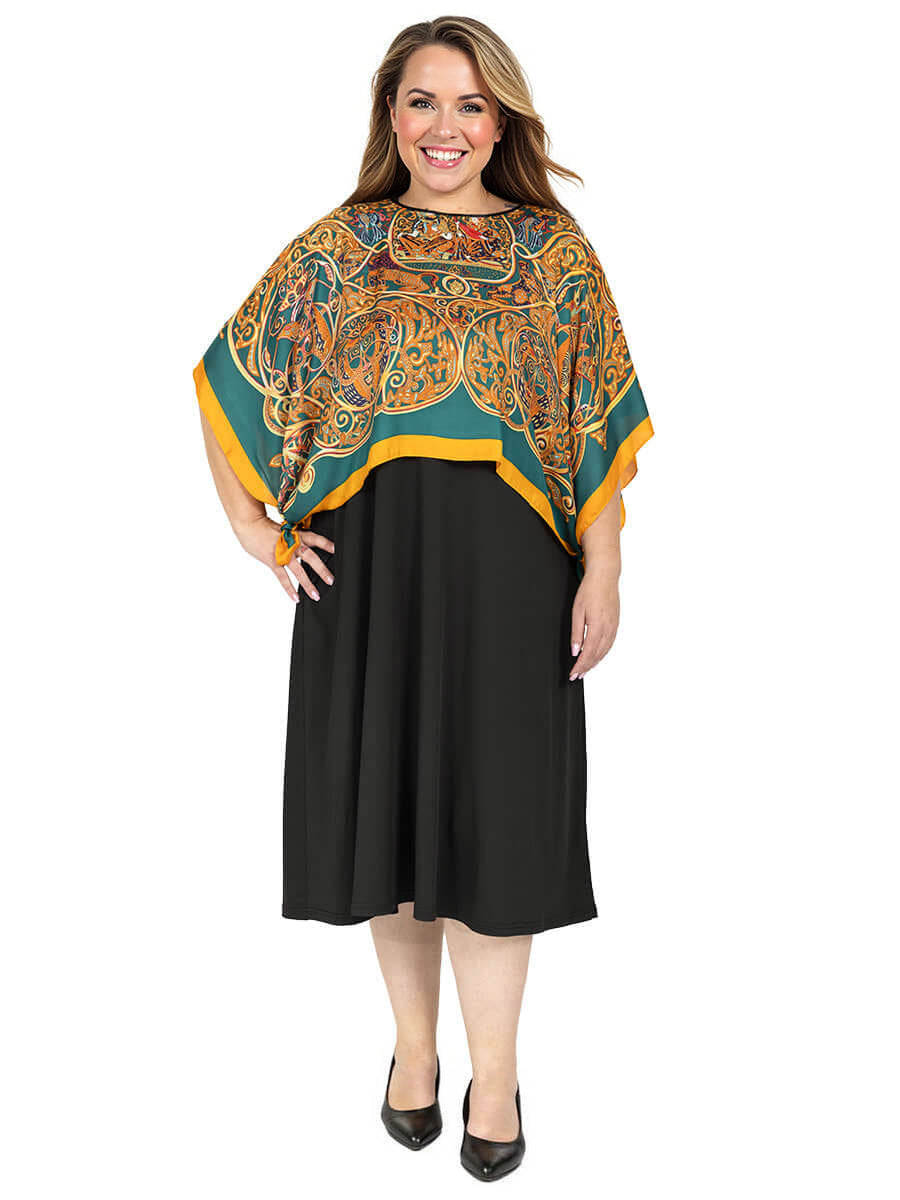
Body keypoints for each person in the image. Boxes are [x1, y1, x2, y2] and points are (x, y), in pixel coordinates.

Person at [193, 16, 654, 1182]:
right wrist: (252, 528)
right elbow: (229, 370)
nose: (445, 127)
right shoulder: (340, 248)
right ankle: (413, 1049)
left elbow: (593, 415)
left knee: (500, 822)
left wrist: (604, 566)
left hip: (515, 573)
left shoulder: (552, 255)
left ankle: (494, 1073)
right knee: (388, 820)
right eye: (422, 102)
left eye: (469, 105)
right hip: (369, 566)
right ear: (390, 117)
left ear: (501, 122)